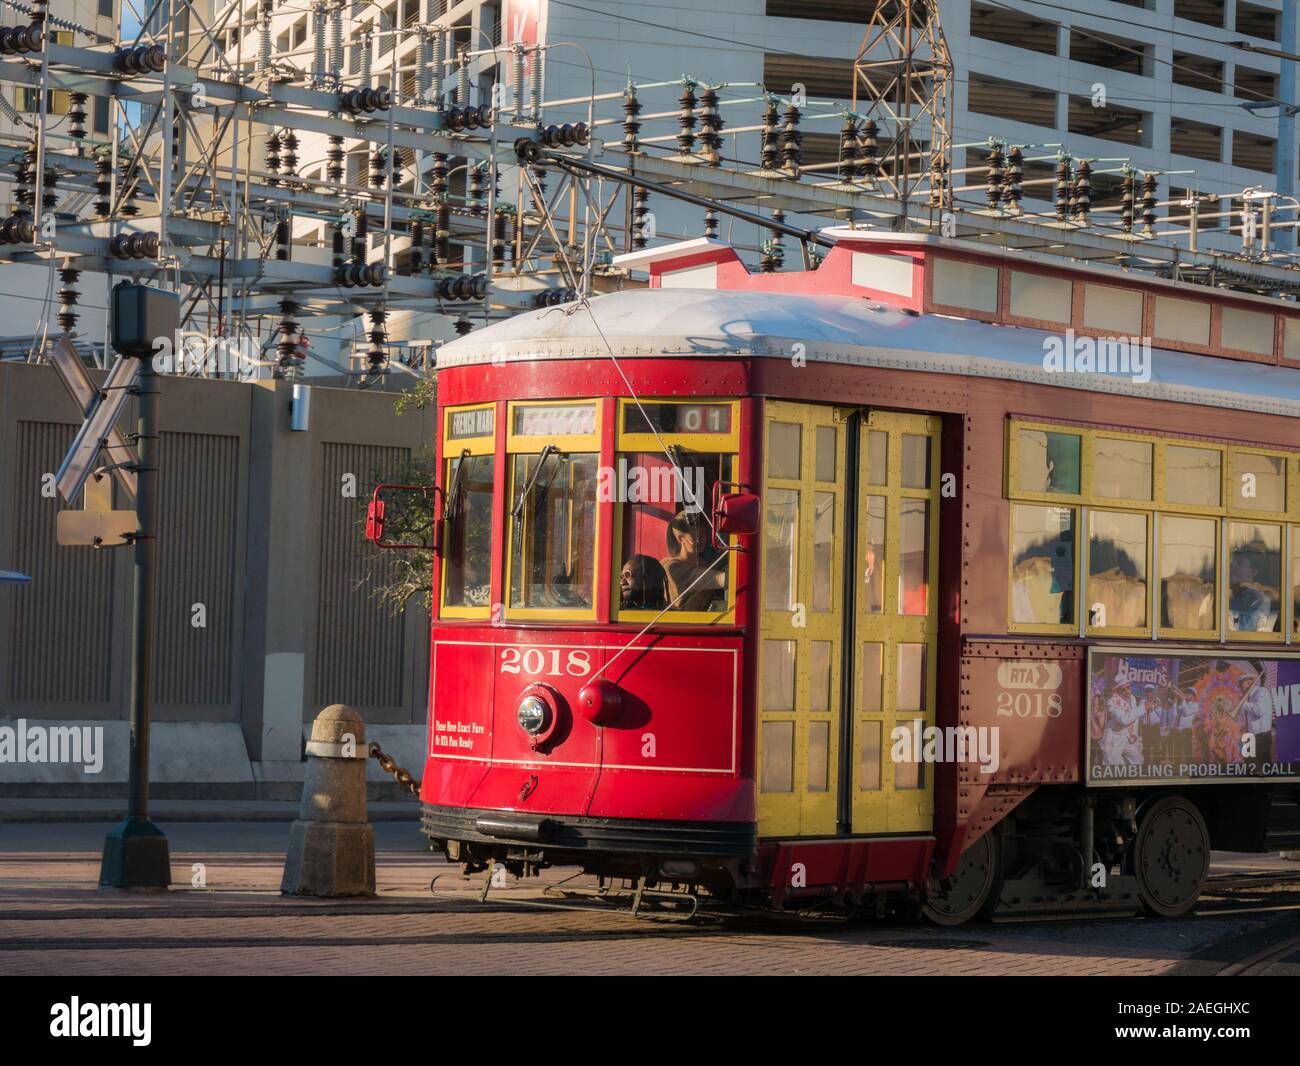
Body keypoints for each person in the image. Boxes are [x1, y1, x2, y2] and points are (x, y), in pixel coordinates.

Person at [661, 510, 726, 611]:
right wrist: (727, 578)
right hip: (678, 624)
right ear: (681, 539)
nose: (700, 539)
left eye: (702, 534)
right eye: (694, 535)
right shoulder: (670, 566)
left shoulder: (703, 564)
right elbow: (713, 579)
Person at [1100, 681, 1143, 767]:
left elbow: (1135, 720)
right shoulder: (1111, 703)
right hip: (1114, 739)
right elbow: (1125, 719)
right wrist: (1144, 707)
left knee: (1138, 762)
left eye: (1128, 687)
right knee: (1113, 767)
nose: (1127, 691)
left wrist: (1134, 735)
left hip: (1129, 738)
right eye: (1123, 690)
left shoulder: (1133, 699)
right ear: (1117, 691)